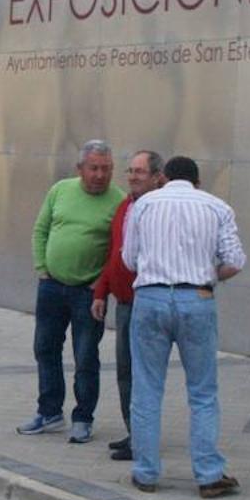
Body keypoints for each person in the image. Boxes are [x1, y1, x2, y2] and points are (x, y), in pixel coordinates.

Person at [121, 155, 246, 498]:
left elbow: (129, 259)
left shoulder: (144, 204)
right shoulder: (217, 206)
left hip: (150, 298)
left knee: (146, 388)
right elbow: (235, 261)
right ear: (198, 181)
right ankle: (208, 474)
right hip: (197, 299)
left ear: (163, 178)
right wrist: (208, 276)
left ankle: (146, 472)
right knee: (203, 392)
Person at [18, 140, 124, 443]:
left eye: (106, 169)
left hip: (88, 293)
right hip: (51, 286)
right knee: (45, 348)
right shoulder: (60, 190)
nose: (100, 175)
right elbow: (41, 229)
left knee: (85, 356)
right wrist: (42, 266)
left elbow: (119, 250)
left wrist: (101, 284)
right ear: (80, 168)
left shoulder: (118, 201)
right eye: (94, 168)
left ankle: (83, 417)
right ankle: (50, 413)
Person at [92, 149, 164, 461]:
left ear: (157, 177)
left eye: (140, 172)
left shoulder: (161, 208)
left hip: (147, 302)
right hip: (124, 303)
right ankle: (134, 430)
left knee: (142, 373)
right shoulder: (125, 206)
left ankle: (144, 438)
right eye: (131, 171)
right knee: (125, 371)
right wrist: (101, 291)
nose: (133, 177)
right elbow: (115, 253)